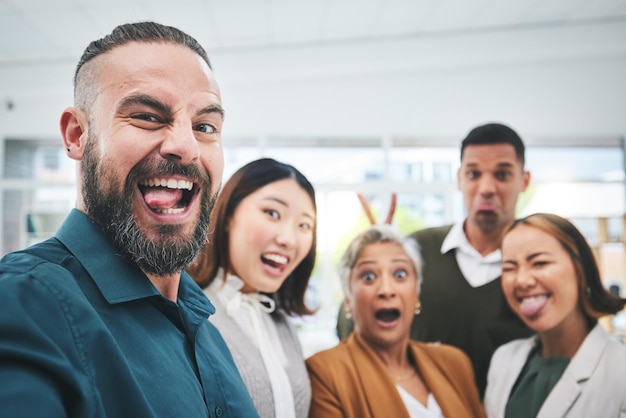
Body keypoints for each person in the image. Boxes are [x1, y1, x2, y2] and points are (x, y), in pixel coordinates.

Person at [0, 22, 258, 417]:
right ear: (76, 135)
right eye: (147, 116)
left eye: (205, 126)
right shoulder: (25, 302)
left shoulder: (205, 326)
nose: (185, 147)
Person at [337, 122, 535, 398]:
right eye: (474, 173)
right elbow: (350, 331)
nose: (487, 187)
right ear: (459, 178)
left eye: (502, 174)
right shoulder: (416, 251)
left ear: (524, 181)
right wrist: (368, 258)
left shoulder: (535, 266)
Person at [308, 224, 485, 418]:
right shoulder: (325, 373)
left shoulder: (455, 364)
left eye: (400, 274)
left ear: (417, 293)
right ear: (348, 299)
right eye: (368, 276)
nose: (386, 289)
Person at [187, 157, 316, 418]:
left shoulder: (281, 324)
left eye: (304, 225)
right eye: (272, 213)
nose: (288, 239)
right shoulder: (190, 314)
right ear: (227, 216)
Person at [485, 213, 626, 418]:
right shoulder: (503, 359)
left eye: (540, 263)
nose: (522, 280)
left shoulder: (619, 370)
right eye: (509, 267)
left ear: (580, 270)